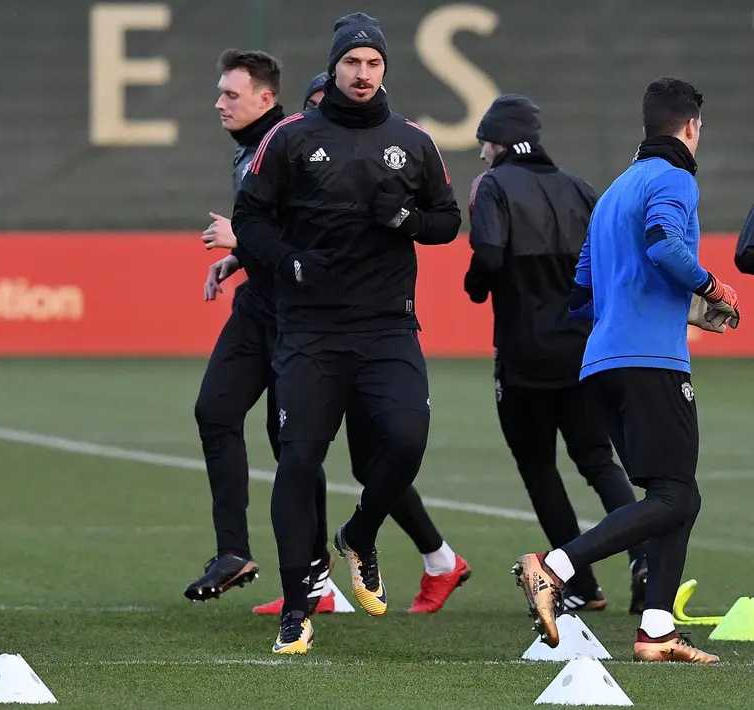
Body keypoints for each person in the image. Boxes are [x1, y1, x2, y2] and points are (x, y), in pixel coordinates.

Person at [232, 13, 462, 653]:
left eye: (373, 64)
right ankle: (297, 607)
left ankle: (360, 535)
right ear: (334, 67)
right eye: (352, 63)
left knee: (407, 437)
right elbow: (250, 220)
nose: (362, 73)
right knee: (298, 463)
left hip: (389, 326)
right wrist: (288, 261)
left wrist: (410, 218)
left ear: (385, 70)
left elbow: (448, 222)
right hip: (309, 329)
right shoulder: (291, 137)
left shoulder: (413, 141)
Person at [512, 77, 732, 663]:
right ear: (690, 127)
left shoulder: (614, 192)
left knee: (673, 495)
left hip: (602, 363)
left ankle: (656, 631)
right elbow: (664, 245)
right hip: (650, 361)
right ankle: (554, 568)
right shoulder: (674, 177)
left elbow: (582, 289)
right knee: (675, 494)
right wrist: (709, 288)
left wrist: (672, 305)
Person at [464, 94, 649, 614]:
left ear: (497, 143)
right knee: (598, 459)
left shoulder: (494, 186)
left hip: (525, 358)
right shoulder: (577, 187)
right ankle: (644, 556)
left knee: (539, 467)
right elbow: (613, 258)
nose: (482, 155)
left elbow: (490, 254)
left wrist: (476, 285)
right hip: (585, 352)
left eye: (484, 145)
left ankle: (581, 583)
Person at [188, 49, 346, 615]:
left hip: (299, 317)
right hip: (261, 303)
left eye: (231, 94)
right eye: (221, 92)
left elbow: (313, 240)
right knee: (215, 411)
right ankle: (233, 551)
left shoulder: (292, 145)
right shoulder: (251, 149)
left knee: (294, 447)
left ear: (265, 97)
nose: (219, 103)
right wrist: (242, 258)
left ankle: (316, 577)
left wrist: (243, 241)